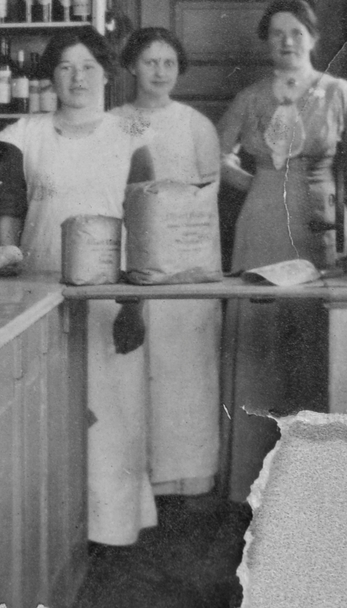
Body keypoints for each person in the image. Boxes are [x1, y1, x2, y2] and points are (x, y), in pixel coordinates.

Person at [0, 26, 157, 547]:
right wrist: (7, 275)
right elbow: (9, 211)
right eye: (65, 67)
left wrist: (138, 302)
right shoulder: (26, 133)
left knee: (111, 417)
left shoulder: (130, 134)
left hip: (113, 292)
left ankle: (112, 530)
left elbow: (146, 220)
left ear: (107, 74)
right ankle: (47, 541)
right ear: (52, 77)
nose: (78, 77)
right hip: (38, 292)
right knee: (42, 414)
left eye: (88, 66)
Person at [217, 0, 347, 501]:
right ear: (266, 41)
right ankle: (249, 482)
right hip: (261, 219)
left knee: (320, 333)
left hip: (320, 220)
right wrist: (262, 186)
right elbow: (216, 158)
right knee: (260, 334)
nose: (287, 41)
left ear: (314, 37)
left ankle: (321, 484)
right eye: (277, 32)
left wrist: (325, 189)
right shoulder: (250, 96)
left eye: (296, 32)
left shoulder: (341, 93)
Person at [113, 27, 222, 500]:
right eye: (150, 62)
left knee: (186, 365)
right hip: (132, 257)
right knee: (133, 367)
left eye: (169, 64)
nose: (160, 72)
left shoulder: (197, 124)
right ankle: (139, 478)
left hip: (188, 263)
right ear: (133, 66)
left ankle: (190, 473)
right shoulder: (113, 121)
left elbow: (210, 199)